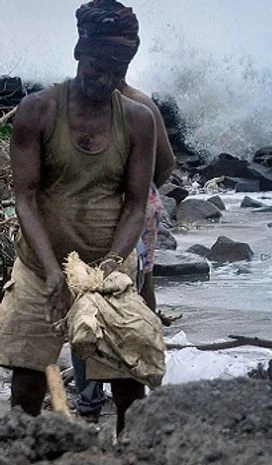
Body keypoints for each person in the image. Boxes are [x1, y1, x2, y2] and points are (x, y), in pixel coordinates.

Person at [0, 0, 156, 434]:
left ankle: (130, 456)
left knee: (128, 384)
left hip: (108, 268)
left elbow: (135, 204)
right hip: (39, 266)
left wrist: (111, 263)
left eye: (118, 69)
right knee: (28, 386)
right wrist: (53, 271)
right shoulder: (38, 111)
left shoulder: (139, 121)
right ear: (78, 52)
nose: (107, 79)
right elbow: (25, 197)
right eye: (98, 66)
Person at [71, 78, 180, 424]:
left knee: (135, 296)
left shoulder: (140, 106)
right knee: (87, 300)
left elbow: (164, 163)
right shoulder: (81, 107)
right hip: (91, 214)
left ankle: (130, 391)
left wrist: (136, 191)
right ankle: (92, 396)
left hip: (135, 213)